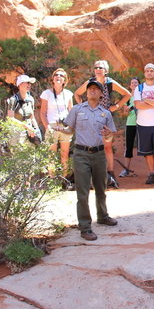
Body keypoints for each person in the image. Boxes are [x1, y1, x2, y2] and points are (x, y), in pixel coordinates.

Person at [62, 77, 118, 241]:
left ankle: (102, 216)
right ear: (87, 92)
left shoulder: (105, 113)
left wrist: (108, 136)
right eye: (90, 88)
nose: (92, 90)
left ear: (101, 94)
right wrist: (59, 130)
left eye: (96, 89)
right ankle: (85, 227)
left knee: (101, 188)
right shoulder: (77, 110)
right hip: (81, 154)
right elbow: (69, 130)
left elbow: (109, 138)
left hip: (99, 154)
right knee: (83, 192)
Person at [75, 60, 131, 189]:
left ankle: (111, 175)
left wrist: (116, 107)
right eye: (96, 67)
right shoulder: (90, 82)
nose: (98, 69)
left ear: (106, 71)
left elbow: (127, 94)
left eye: (101, 67)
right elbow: (77, 93)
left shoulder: (110, 83)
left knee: (107, 147)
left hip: (105, 119)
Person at [39, 68, 74, 179]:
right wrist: (47, 127)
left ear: (65, 80)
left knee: (64, 155)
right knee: (51, 155)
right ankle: (52, 180)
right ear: (53, 79)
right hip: (52, 126)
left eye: (61, 76)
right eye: (56, 75)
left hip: (65, 127)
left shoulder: (68, 94)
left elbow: (71, 111)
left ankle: (64, 179)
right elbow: (43, 113)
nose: (58, 77)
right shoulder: (47, 94)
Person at [6, 74, 41, 146]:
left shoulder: (31, 99)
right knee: (18, 155)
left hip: (30, 133)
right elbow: (10, 118)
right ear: (20, 85)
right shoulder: (13, 100)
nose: (29, 85)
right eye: (27, 83)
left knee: (31, 156)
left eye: (30, 83)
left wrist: (37, 130)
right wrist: (25, 126)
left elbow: (32, 117)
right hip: (16, 134)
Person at [119, 77, 140, 177]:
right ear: (130, 86)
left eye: (136, 83)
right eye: (132, 83)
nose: (134, 84)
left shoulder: (142, 96)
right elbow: (124, 114)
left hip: (142, 123)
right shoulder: (127, 98)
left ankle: (151, 171)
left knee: (146, 146)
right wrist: (127, 110)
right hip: (130, 123)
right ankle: (126, 170)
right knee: (129, 146)